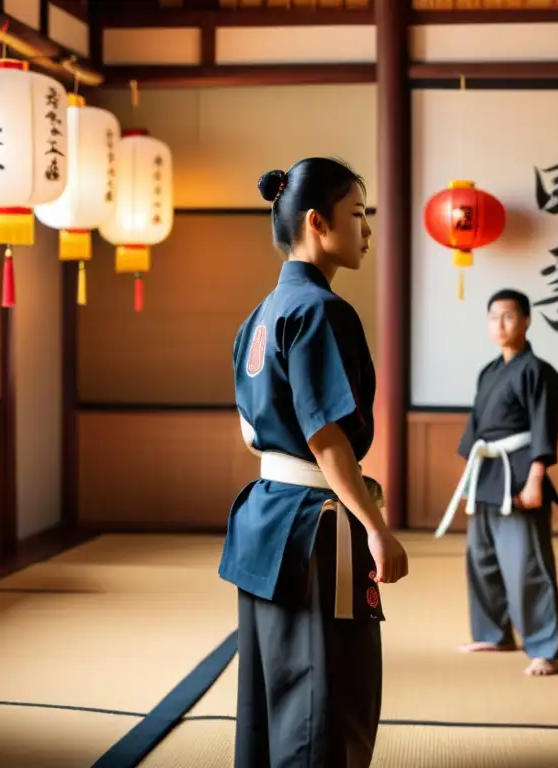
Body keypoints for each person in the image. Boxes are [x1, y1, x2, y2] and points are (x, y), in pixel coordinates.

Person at [219, 157, 410, 767]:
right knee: (325, 692)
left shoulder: (261, 313)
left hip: (266, 515)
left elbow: (252, 428)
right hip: (313, 527)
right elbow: (325, 433)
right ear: (316, 223)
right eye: (356, 215)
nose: (367, 230)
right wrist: (377, 530)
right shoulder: (322, 311)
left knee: (272, 690)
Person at [435, 289, 558, 677]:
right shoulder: (488, 372)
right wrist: (469, 479)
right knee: (482, 559)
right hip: (488, 473)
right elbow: (476, 428)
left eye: (508, 316)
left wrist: (536, 479)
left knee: (527, 563)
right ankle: (494, 633)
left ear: (526, 321)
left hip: (521, 471)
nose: (500, 324)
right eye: (493, 317)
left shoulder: (538, 371)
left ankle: (544, 646)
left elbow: (544, 426)